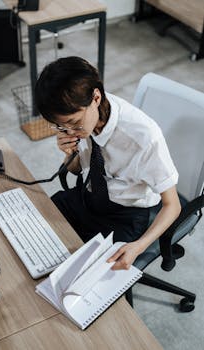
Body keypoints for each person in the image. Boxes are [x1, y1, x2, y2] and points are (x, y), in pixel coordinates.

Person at [35, 56, 181, 270]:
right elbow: (77, 169)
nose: (69, 131)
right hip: (88, 196)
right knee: (34, 225)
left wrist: (138, 247)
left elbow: (173, 205)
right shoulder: (82, 118)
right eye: (60, 126)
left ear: (96, 97)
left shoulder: (144, 138)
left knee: (87, 276)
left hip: (124, 215)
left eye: (73, 124)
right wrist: (69, 153)